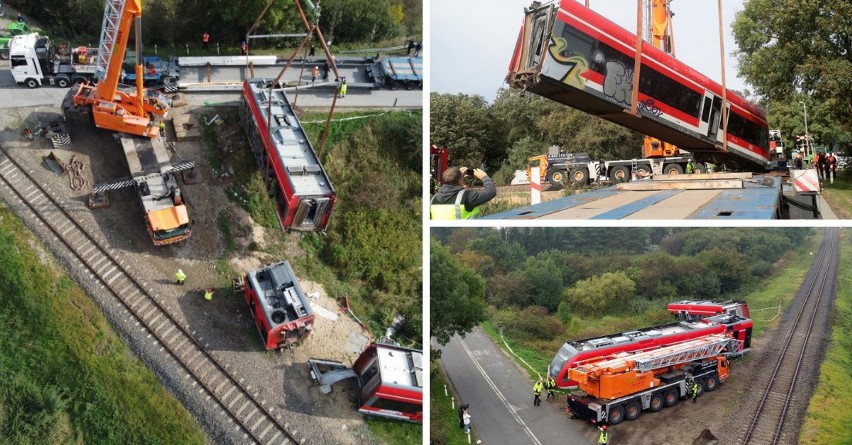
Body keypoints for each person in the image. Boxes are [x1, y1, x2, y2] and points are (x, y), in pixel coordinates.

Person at [430, 167, 496, 220]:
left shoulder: (433, 199)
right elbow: (491, 191)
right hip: (467, 234)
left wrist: (456, 176)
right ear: (459, 181)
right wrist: (484, 176)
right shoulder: (466, 197)